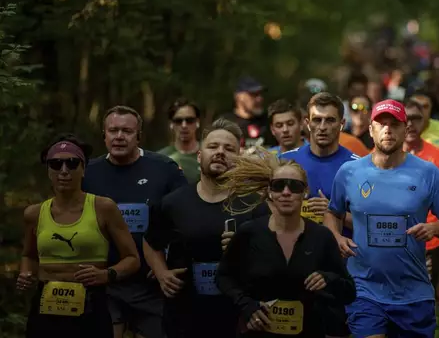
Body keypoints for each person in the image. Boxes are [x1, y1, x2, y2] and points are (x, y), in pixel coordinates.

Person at [325, 99, 439, 337]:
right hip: (364, 290)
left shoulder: (427, 173)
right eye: (381, 124)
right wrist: (335, 236)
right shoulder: (350, 172)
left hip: (413, 292)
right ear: (371, 130)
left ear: (405, 129)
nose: (387, 129)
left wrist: (434, 229)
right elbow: (332, 212)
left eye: (394, 124)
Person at [144, 119, 271, 337]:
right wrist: (161, 272)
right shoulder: (173, 203)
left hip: (235, 318)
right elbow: (150, 241)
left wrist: (244, 250)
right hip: (183, 318)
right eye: (213, 147)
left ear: (239, 160)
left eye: (229, 149)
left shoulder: (255, 206)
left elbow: (271, 260)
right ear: (200, 156)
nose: (220, 152)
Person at [216, 150, 356, 337]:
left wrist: (328, 279)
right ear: (269, 192)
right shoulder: (249, 232)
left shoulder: (321, 237)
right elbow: (223, 277)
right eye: (279, 186)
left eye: (295, 187)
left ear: (305, 192)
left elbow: (349, 291)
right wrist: (248, 306)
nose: (286, 192)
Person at [18, 134, 140, 338]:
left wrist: (106, 274)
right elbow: (29, 256)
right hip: (46, 304)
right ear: (48, 171)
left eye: (72, 163)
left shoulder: (104, 208)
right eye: (56, 164)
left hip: (91, 303)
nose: (64, 171)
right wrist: (25, 274)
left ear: (83, 169)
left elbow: (132, 259)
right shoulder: (34, 213)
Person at [83, 105, 188, 338]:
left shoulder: (165, 169)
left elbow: (185, 217)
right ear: (104, 135)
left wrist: (167, 261)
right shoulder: (88, 173)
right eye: (113, 130)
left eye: (127, 131)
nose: (119, 136)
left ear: (138, 136)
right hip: (105, 281)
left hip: (151, 284)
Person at [280, 92, 360, 338]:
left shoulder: (359, 167)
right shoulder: (285, 163)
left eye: (330, 120)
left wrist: (333, 212)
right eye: (317, 120)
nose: (322, 127)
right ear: (307, 122)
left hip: (341, 272)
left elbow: (370, 222)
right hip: (291, 270)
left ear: (342, 124)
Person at [403, 99, 439, 293]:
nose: (410, 124)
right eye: (406, 119)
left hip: (429, 242)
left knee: (426, 297)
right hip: (392, 240)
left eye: (416, 119)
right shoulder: (381, 153)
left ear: (425, 122)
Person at [221, 75, 275, 149]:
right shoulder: (224, 123)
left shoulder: (268, 121)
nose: (259, 99)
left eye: (260, 94)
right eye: (254, 94)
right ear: (239, 97)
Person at [158, 98, 202, 183]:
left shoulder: (209, 153)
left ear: (197, 122)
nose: (184, 125)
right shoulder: (161, 158)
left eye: (189, 120)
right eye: (178, 121)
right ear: (171, 124)